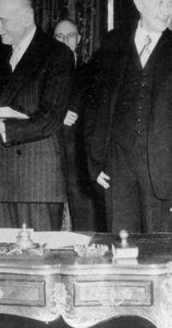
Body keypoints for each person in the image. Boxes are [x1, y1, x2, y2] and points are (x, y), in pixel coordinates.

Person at [85, 0, 172, 233]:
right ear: (139, 3)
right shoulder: (113, 44)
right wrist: (95, 161)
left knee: (160, 256)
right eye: (159, 3)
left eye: (171, 4)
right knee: (122, 255)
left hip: (165, 175)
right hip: (117, 171)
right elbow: (94, 109)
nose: (167, 11)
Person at [0, 0, 73, 231]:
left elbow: (50, 119)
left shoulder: (56, 54)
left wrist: (0, 127)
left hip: (36, 183)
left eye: (3, 20)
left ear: (27, 18)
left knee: (38, 261)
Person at [53, 19, 102, 231]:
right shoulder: (44, 73)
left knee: (84, 227)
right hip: (52, 158)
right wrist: (58, 115)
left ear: (79, 39)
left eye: (70, 36)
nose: (65, 41)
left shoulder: (92, 72)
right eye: (60, 37)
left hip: (80, 160)